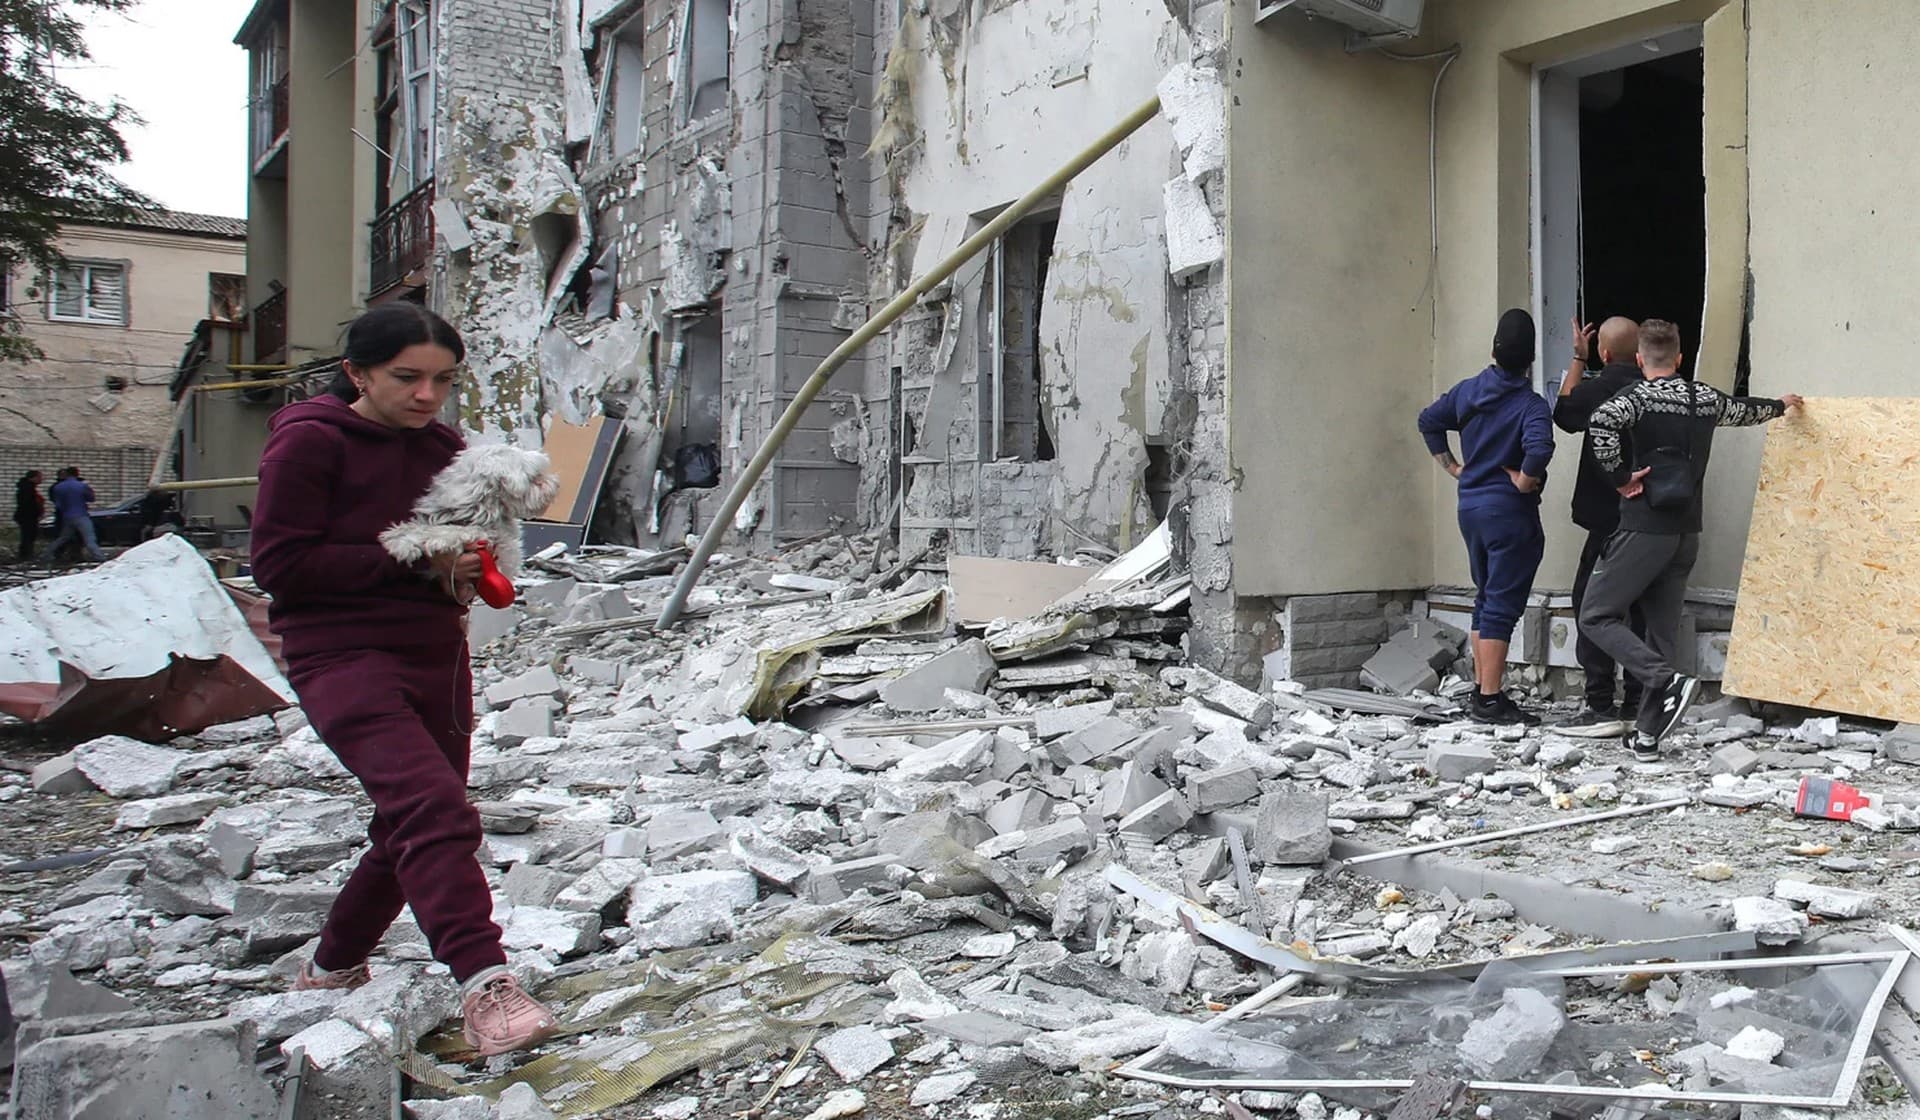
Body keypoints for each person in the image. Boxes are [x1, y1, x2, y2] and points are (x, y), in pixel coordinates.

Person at [248, 303, 558, 1057]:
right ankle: (485, 981)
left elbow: (468, 538)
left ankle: (332, 968)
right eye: (407, 378)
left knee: (408, 822)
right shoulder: (309, 442)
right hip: (340, 654)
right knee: (432, 808)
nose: (427, 396)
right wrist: (415, 558)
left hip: (434, 653)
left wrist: (469, 567)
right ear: (356, 373)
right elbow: (280, 566)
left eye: (443, 381)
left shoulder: (443, 447)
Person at [1580, 319, 1803, 761]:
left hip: (1644, 530)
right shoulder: (1703, 399)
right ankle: (1647, 737)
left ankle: (1664, 680)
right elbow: (1745, 410)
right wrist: (1780, 406)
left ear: (1640, 359)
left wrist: (1621, 478)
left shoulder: (1637, 399)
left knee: (1596, 614)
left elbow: (1600, 422)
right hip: (1685, 533)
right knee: (1663, 635)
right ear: (1679, 358)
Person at [1418, 308, 1556, 725]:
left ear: (1494, 351)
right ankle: (1490, 701)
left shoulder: (1466, 392)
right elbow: (1540, 449)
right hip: (1509, 513)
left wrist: (1454, 468)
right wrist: (1525, 481)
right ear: (1531, 359)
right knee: (1501, 605)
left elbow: (1428, 420)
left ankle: (1483, 690)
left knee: (1486, 597)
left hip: (1471, 509)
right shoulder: (1530, 405)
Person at [1552, 316, 1648, 738]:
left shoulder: (1596, 392)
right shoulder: (1654, 392)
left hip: (1605, 521)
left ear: (1604, 353)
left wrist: (1578, 358)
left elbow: (1562, 413)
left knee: (1590, 606)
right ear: (1640, 354)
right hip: (1649, 521)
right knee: (1641, 608)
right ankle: (1638, 701)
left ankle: (1599, 702)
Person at [39, 468, 104, 564]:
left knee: (63, 538)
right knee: (89, 538)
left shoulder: (58, 487)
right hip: (81, 515)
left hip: (67, 516)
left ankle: (46, 554)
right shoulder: (81, 486)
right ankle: (99, 557)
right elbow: (91, 498)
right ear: (77, 474)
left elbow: (58, 504)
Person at [12, 471, 43, 562]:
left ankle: (26, 554)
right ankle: (26, 555)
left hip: (26, 516)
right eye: (39, 477)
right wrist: (36, 512)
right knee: (28, 536)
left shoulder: (28, 487)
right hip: (27, 517)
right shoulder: (28, 489)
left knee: (28, 536)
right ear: (33, 478)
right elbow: (28, 504)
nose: (41, 479)